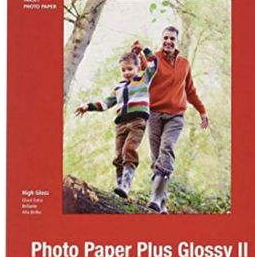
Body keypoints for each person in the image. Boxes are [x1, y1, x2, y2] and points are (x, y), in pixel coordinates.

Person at [137, 26, 209, 213]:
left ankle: (155, 197)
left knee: (167, 148)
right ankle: (161, 203)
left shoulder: (184, 64)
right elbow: (143, 68)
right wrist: (138, 54)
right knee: (157, 159)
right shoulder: (154, 59)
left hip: (175, 116)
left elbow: (190, 91)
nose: (168, 41)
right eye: (166, 38)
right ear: (162, 40)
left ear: (177, 42)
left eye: (172, 39)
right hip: (154, 114)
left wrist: (202, 111)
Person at [75, 47, 158, 198]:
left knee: (129, 149)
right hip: (120, 125)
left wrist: (144, 50)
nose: (126, 72)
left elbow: (154, 62)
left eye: (130, 69)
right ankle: (120, 187)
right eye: (123, 70)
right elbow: (106, 103)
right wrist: (88, 106)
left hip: (137, 122)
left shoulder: (143, 79)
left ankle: (126, 184)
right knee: (119, 156)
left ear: (138, 67)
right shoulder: (118, 87)